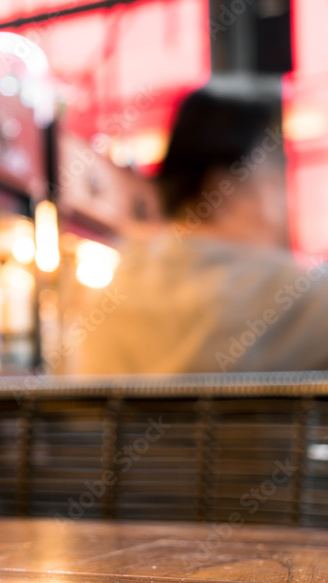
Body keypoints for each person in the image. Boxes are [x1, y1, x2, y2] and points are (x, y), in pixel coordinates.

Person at [72, 78, 328, 375]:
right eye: (272, 179)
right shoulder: (291, 297)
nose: (286, 202)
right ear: (226, 188)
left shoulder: (107, 299)